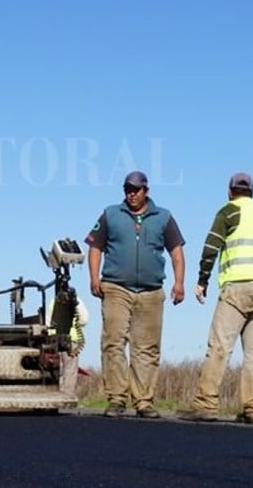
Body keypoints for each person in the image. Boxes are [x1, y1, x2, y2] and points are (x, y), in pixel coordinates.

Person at [181, 172, 253, 425]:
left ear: (230, 191)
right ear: (252, 192)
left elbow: (211, 247)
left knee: (220, 346)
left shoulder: (229, 211)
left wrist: (202, 281)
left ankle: (205, 404)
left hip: (237, 288)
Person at [85, 170, 185, 419]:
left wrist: (179, 283)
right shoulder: (111, 214)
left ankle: (143, 401)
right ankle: (117, 398)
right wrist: (94, 277)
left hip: (151, 292)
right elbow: (95, 247)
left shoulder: (164, 217)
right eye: (128, 189)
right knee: (114, 342)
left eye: (136, 189)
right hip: (116, 288)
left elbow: (176, 252)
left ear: (146, 191)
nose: (132, 194)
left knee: (146, 348)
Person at [58, 294, 91, 398]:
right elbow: (84, 319)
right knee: (70, 369)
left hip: (54, 338)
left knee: (57, 369)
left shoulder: (53, 302)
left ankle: (55, 392)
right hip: (71, 339)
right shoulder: (75, 300)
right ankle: (67, 395)